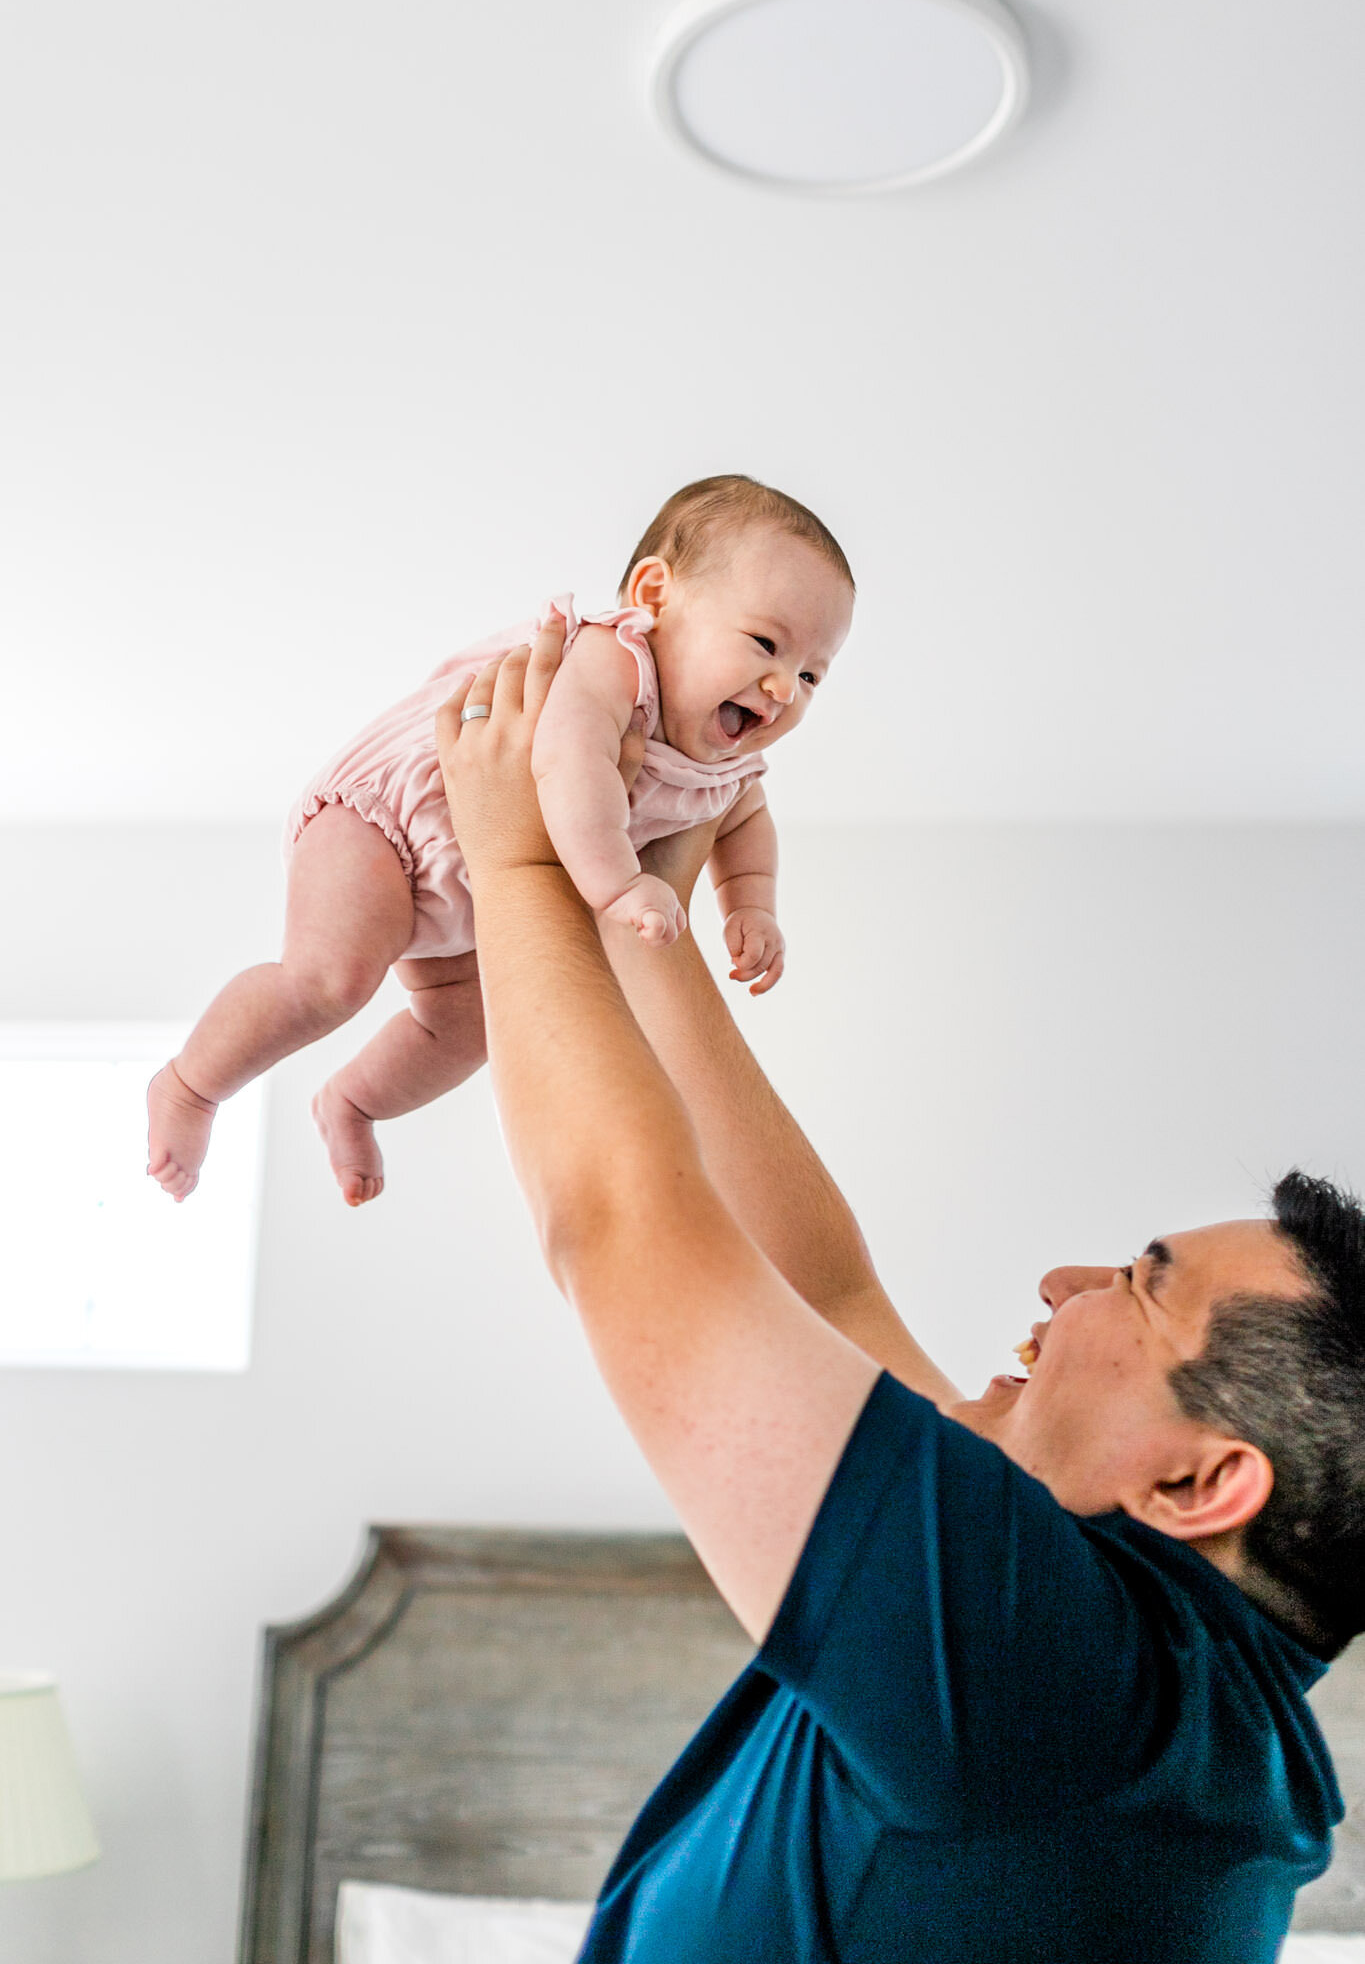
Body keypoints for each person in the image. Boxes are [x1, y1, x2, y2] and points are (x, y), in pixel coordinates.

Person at [434, 615, 1363, 1964]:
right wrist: (647, 917)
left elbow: (623, 1232)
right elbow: (825, 1290)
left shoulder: (1064, 1693)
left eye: (1137, 1287)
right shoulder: (1176, 1709)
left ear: (1198, 1485)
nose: (1066, 1280)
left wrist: (511, 851)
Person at [145, 475, 854, 1205]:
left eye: (809, 675)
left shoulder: (727, 765)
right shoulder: (613, 663)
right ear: (654, 596)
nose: (780, 689)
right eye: (765, 643)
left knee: (469, 1028)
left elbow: (743, 822)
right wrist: (617, 885)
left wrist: (749, 907)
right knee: (329, 981)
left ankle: (352, 1103)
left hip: (472, 895)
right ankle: (190, 1086)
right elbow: (565, 763)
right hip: (387, 824)